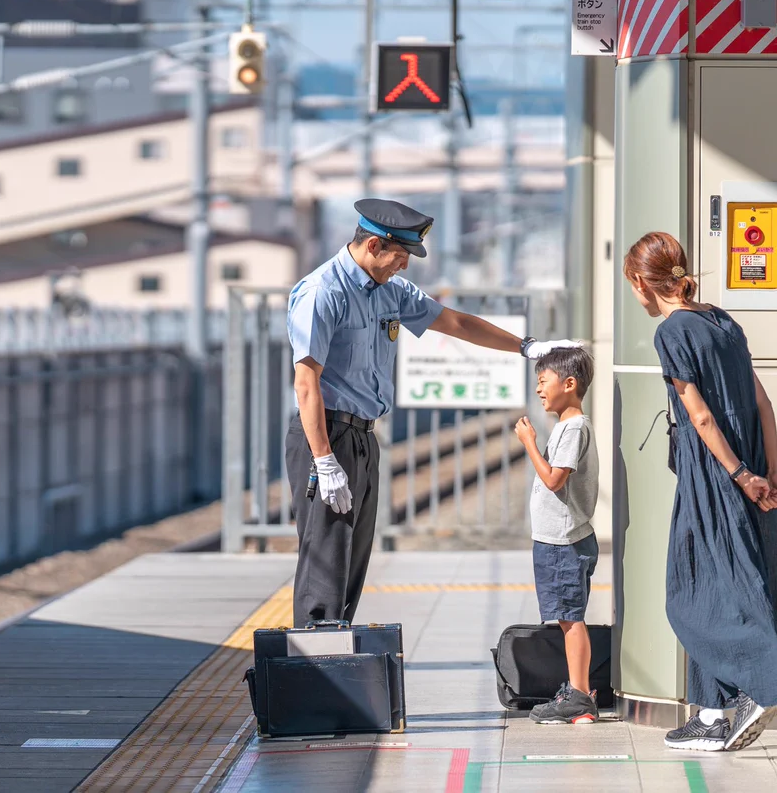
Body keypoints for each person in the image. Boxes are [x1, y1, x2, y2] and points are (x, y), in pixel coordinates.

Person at [285, 197, 580, 628]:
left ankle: (338, 654)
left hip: (363, 436)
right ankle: (311, 664)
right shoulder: (323, 292)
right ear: (373, 245)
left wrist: (525, 346)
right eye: (400, 256)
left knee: (352, 561)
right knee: (324, 565)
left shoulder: (389, 291)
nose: (403, 267)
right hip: (326, 437)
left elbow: (456, 323)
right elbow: (306, 383)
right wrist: (325, 461)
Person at [624, 231, 777, 752]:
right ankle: (712, 712)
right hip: (751, 458)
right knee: (718, 578)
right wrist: (768, 469)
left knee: (692, 591)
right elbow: (760, 400)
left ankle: (762, 683)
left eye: (635, 288)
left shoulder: (672, 331)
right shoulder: (722, 319)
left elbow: (701, 415)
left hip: (716, 468)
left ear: (642, 282)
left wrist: (739, 475)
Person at [513, 346, 600, 725]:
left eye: (543, 381)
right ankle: (576, 692)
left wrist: (529, 443)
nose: (539, 390)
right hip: (562, 539)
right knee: (568, 617)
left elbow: (553, 479)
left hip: (563, 542)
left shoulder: (574, 427)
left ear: (569, 384)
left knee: (570, 618)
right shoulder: (570, 427)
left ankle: (580, 696)